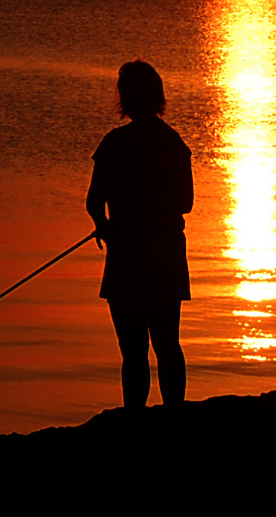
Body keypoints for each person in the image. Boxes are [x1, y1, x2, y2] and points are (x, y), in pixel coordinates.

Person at [86, 60, 193, 409]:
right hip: (165, 254)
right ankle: (174, 416)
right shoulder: (173, 142)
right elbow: (187, 203)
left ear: (125, 100)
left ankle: (135, 419)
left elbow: (92, 202)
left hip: (128, 255)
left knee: (132, 350)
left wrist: (104, 226)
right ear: (158, 97)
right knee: (167, 343)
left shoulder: (114, 143)